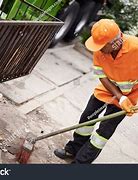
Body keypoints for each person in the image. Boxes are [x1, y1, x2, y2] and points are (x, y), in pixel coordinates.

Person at [54, 19, 138, 164]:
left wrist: (124, 100)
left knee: (102, 134)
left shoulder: (135, 48)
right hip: (106, 91)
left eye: (101, 46)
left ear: (115, 43)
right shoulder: (99, 49)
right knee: (87, 119)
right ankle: (73, 149)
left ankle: (80, 164)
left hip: (127, 98)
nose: (97, 49)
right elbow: (102, 75)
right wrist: (119, 96)